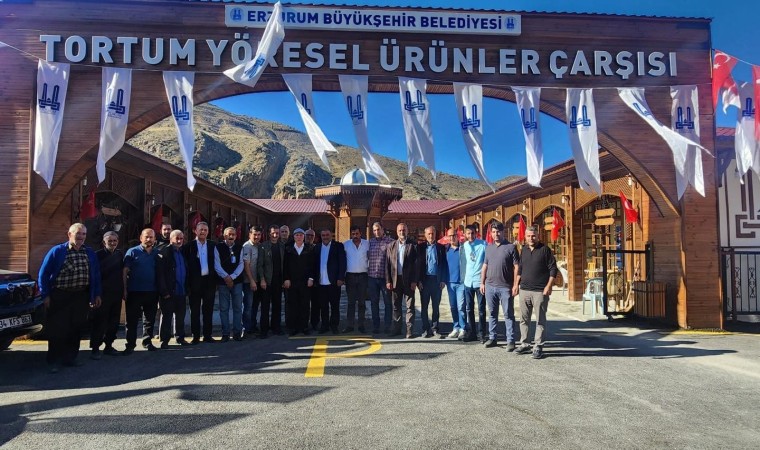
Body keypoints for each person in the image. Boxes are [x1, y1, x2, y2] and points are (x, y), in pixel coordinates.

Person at [38, 223, 102, 372]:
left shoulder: (89, 252)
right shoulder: (57, 251)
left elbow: (96, 275)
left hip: (81, 296)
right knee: (58, 329)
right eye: (78, 233)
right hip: (60, 295)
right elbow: (43, 274)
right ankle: (54, 361)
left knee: (76, 328)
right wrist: (45, 295)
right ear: (69, 234)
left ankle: (70, 358)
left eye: (83, 234)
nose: (81, 237)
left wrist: (96, 294)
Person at [514, 226, 557, 359]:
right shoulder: (524, 250)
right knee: (523, 319)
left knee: (540, 320)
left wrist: (548, 286)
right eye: (528, 236)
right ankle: (525, 344)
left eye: (533, 236)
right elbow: (520, 269)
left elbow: (553, 269)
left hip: (540, 291)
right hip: (524, 290)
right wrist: (516, 285)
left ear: (538, 236)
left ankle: (538, 346)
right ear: (525, 237)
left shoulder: (545, 250)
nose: (531, 238)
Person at [480, 221, 520, 351]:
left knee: (508, 314)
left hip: (505, 287)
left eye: (498, 231)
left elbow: (516, 267)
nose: (495, 234)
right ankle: (493, 338)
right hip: (490, 286)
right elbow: (485, 266)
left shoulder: (511, 247)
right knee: (492, 313)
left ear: (503, 232)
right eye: (493, 232)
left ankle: (511, 340)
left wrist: (515, 285)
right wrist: (482, 282)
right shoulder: (488, 248)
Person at [123, 228, 160, 354]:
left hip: (152, 291)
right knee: (131, 320)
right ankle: (130, 345)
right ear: (141, 238)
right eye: (146, 237)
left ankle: (147, 342)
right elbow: (125, 271)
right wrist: (124, 289)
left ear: (155, 239)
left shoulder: (157, 253)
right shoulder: (132, 252)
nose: (149, 239)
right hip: (134, 291)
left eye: (151, 237)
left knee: (149, 320)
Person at [90, 231, 123, 359]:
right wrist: (95, 294)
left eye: (115, 241)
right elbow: (93, 275)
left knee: (114, 322)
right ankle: (95, 348)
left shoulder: (119, 254)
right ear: (104, 242)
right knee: (100, 322)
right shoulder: (97, 255)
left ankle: (109, 346)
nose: (112, 243)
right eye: (110, 241)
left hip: (116, 294)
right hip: (102, 295)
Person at [183, 221, 217, 343]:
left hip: (209, 282)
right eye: (201, 229)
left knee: (208, 310)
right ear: (195, 231)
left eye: (205, 230)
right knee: (195, 311)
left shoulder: (213, 245)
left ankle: (207, 335)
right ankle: (196, 336)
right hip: (194, 283)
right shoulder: (188, 246)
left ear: (208, 232)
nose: (203, 232)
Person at [385, 223, 419, 338]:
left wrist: (414, 281)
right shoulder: (391, 246)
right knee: (396, 306)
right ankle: (397, 329)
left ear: (407, 231)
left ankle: (409, 330)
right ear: (397, 232)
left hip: (409, 281)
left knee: (410, 306)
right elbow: (387, 264)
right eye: (400, 230)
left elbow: (416, 265)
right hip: (395, 280)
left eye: (404, 230)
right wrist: (388, 280)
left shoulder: (413, 245)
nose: (402, 232)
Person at [156, 229, 188, 348]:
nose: (179, 241)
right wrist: (164, 291)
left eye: (181, 238)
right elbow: (160, 274)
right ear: (171, 239)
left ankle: (180, 337)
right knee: (167, 316)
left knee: (180, 316)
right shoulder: (165, 252)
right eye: (177, 238)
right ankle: (164, 340)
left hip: (181, 290)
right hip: (169, 291)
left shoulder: (183, 251)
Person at [214, 227, 245, 342]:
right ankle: (225, 333)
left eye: (233, 234)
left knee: (238, 308)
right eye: (228, 234)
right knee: (224, 308)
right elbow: (216, 264)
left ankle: (237, 332)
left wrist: (232, 277)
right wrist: (226, 277)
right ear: (224, 236)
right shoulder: (218, 247)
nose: (231, 236)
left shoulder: (240, 247)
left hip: (237, 281)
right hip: (223, 282)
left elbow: (241, 264)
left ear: (236, 236)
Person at [312, 229, 346, 334]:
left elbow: (342, 263)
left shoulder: (338, 246)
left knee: (335, 305)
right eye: (323, 235)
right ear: (321, 236)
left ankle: (334, 325)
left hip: (334, 282)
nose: (325, 237)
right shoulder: (317, 247)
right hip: (321, 282)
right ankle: (325, 325)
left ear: (331, 235)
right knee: (323, 306)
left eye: (327, 235)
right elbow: (314, 264)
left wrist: (341, 278)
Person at [417, 226, 448, 338]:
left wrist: (443, 280)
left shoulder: (441, 248)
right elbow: (417, 265)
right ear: (425, 235)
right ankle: (425, 329)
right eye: (429, 234)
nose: (431, 236)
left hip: (436, 280)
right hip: (425, 280)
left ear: (435, 234)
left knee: (436, 306)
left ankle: (435, 328)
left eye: (432, 234)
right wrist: (418, 281)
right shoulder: (420, 247)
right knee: (424, 306)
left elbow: (444, 264)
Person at [283, 228, 315, 335]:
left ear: (304, 237)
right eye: (297, 235)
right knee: (292, 305)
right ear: (294, 237)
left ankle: (304, 326)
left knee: (305, 305)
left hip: (305, 282)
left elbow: (313, 265)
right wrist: (286, 278)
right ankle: (293, 327)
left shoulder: (309, 249)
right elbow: (285, 265)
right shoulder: (288, 249)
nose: (299, 237)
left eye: (301, 235)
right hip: (292, 282)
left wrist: (311, 278)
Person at [460, 225, 487, 343]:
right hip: (468, 282)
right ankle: (472, 333)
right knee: (469, 309)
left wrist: (485, 281)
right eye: (468, 233)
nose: (470, 236)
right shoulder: (464, 246)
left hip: (479, 282)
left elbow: (487, 262)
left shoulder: (483, 244)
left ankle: (482, 333)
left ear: (476, 233)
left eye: (472, 233)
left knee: (481, 309)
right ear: (465, 234)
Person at [258, 224, 285, 336]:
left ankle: (276, 328)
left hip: (278, 281)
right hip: (267, 281)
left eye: (277, 233)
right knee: (265, 306)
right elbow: (260, 265)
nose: (275, 235)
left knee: (277, 305)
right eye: (273, 233)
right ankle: (264, 330)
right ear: (269, 233)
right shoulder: (263, 246)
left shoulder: (282, 246)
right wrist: (262, 279)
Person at [368, 222, 393, 334]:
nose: (376, 232)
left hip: (385, 278)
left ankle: (387, 325)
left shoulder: (390, 242)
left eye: (378, 229)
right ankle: (376, 326)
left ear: (383, 229)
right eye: (374, 230)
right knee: (374, 303)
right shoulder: (370, 242)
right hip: (372, 277)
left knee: (388, 302)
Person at [343, 225, 369, 333]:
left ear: (360, 234)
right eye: (353, 234)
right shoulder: (346, 244)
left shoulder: (367, 244)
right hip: (350, 276)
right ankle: (350, 325)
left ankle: (361, 325)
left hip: (363, 276)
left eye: (357, 234)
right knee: (351, 302)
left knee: (362, 302)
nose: (355, 236)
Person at [444, 228, 466, 339]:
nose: (452, 238)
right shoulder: (446, 250)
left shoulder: (463, 249)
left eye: (454, 235)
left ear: (457, 236)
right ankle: (456, 327)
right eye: (450, 236)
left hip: (461, 282)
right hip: (450, 283)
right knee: (453, 307)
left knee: (461, 306)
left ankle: (463, 328)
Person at [242, 225, 262, 337]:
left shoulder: (259, 246)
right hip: (248, 282)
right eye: (255, 234)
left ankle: (253, 325)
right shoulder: (247, 246)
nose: (257, 237)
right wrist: (251, 281)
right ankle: (246, 328)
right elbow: (246, 265)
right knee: (248, 306)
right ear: (250, 234)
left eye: (259, 235)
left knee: (255, 306)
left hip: (258, 281)